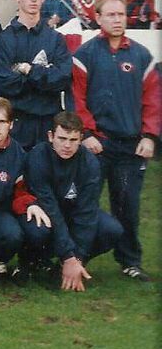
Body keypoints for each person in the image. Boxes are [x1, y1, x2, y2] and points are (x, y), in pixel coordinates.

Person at [72, 0, 160, 282]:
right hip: (96, 145)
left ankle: (130, 261)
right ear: (98, 18)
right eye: (110, 15)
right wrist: (85, 134)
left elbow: (153, 100)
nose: (117, 20)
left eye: (121, 14)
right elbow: (76, 99)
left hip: (130, 146)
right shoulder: (86, 55)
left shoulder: (140, 55)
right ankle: (78, 257)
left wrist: (149, 136)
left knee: (128, 206)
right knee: (87, 205)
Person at [25, 112, 125, 292]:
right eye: (62, 138)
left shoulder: (90, 162)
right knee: (38, 229)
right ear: (50, 136)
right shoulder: (37, 157)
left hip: (74, 213)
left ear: (81, 139)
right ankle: (36, 261)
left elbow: (87, 212)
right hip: (47, 213)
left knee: (112, 229)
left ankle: (71, 268)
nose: (67, 145)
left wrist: (76, 257)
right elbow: (51, 208)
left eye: (73, 140)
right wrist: (68, 255)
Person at [0, 97, 53, 280]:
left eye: (2, 122)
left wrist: (29, 204)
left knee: (12, 234)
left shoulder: (18, 153)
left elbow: (21, 189)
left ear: (11, 125)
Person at [0, 0, 73, 147]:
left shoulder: (55, 39)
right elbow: (3, 82)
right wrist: (44, 75)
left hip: (48, 122)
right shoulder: (5, 38)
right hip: (16, 123)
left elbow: (62, 79)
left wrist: (29, 70)